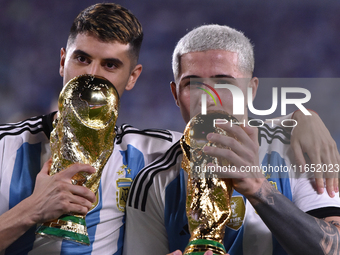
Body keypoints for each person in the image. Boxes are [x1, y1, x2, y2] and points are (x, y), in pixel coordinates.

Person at [124, 24, 340, 255]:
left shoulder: (298, 149)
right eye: (192, 84)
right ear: (176, 94)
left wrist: (258, 188)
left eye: (224, 82)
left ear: (251, 90)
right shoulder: (153, 182)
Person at [0, 3, 182, 254]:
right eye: (82, 59)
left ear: (132, 77)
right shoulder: (4, 147)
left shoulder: (156, 153)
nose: (91, 75)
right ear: (63, 61)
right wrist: (33, 209)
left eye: (110, 65)